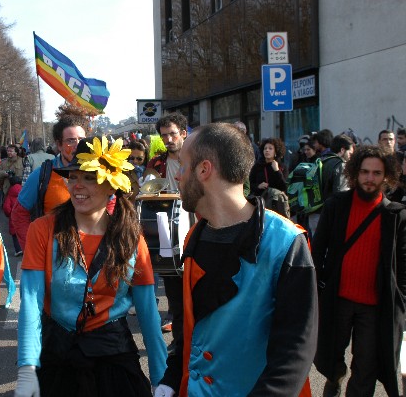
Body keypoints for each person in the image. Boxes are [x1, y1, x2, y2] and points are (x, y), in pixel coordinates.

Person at [155, 122, 317, 397]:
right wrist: (170, 379)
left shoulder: (287, 242)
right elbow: (191, 329)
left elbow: (295, 352)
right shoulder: (195, 235)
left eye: (183, 166)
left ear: (204, 170)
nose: (179, 177)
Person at [14, 136, 166, 397]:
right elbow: (30, 300)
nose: (77, 186)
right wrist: (27, 365)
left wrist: (161, 377)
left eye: (89, 177)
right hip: (57, 354)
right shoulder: (43, 229)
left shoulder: (130, 236)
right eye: (73, 177)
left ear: (111, 185)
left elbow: (148, 311)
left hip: (113, 354)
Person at [312, 145, 406, 397]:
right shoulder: (336, 205)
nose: (369, 178)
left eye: (376, 173)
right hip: (338, 298)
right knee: (330, 355)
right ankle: (334, 377)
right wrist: (319, 284)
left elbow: (404, 265)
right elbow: (318, 249)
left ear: (386, 176)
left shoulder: (396, 215)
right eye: (364, 172)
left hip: (375, 306)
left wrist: (400, 299)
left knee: (366, 367)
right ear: (355, 173)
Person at [10, 114, 87, 250]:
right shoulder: (42, 174)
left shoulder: (99, 172)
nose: (77, 146)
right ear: (59, 144)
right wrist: (33, 249)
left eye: (81, 140)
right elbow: (19, 214)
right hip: (55, 257)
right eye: (71, 141)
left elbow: (110, 207)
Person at [145, 113, 187, 342]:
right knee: (173, 285)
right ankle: (180, 341)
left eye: (172, 134)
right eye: (164, 135)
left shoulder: (197, 159)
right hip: (166, 228)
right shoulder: (157, 162)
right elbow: (147, 191)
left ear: (183, 133)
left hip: (194, 226)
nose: (168, 139)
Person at [3, 174, 23, 256]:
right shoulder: (24, 191)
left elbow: (6, 207)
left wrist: (9, 214)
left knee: (15, 234)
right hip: (23, 215)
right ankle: (24, 247)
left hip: (14, 216)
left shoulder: (10, 193)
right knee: (23, 232)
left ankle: (18, 250)